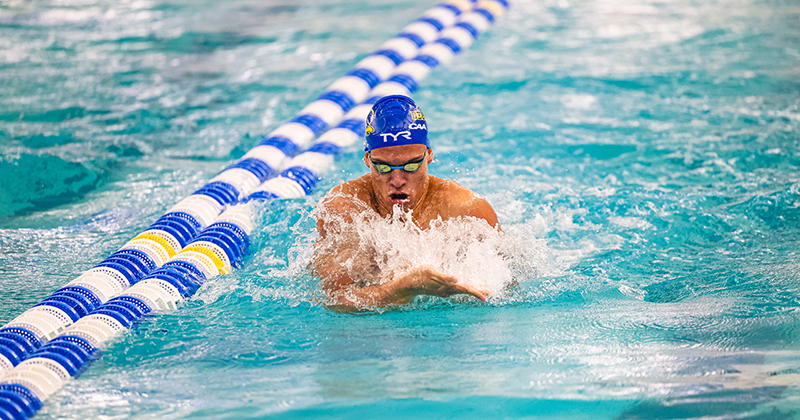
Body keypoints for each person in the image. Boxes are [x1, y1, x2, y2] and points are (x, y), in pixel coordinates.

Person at [312, 95, 501, 311]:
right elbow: (337, 301)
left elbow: (509, 291)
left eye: (411, 166)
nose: (398, 181)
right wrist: (404, 288)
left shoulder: (467, 209)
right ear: (367, 160)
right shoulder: (346, 208)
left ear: (429, 156)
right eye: (383, 167)